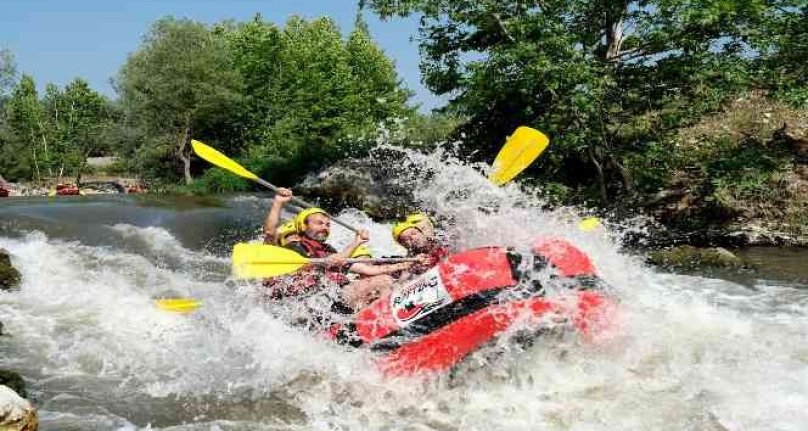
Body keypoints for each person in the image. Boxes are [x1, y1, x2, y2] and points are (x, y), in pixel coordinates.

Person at [263, 188, 414, 309]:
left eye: (328, 225)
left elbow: (368, 270)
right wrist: (278, 203)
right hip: (304, 302)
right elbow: (270, 233)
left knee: (385, 280)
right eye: (319, 223)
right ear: (304, 226)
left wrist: (407, 263)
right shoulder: (292, 246)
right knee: (382, 282)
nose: (325, 227)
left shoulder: (327, 249)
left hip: (333, 298)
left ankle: (383, 319)